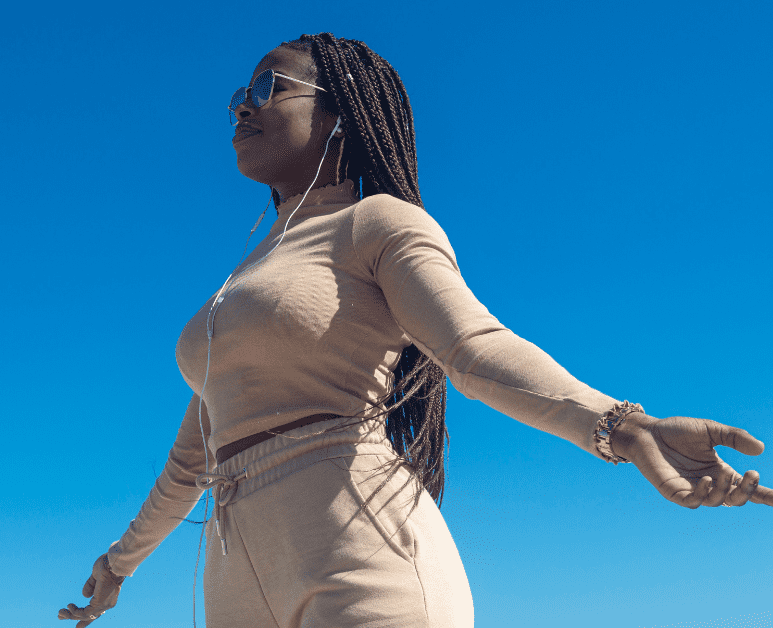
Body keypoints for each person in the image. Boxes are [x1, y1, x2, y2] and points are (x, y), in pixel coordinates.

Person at [58, 33, 771, 628]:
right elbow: (194, 459)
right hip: (234, 574)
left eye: (268, 85)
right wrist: (119, 563)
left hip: (364, 555)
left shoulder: (378, 225)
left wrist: (621, 425)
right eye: (240, 94)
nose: (243, 104)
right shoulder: (244, 279)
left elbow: (473, 349)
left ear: (340, 115)